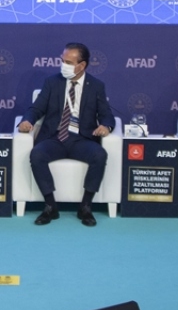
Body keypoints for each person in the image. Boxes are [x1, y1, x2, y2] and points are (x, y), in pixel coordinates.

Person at [18, 43, 115, 227]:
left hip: (81, 139)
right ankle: (50, 206)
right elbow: (36, 108)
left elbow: (106, 114)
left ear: (82, 65)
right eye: (62, 61)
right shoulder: (52, 82)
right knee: (37, 154)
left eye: (69, 62)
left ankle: (85, 206)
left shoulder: (96, 86)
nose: (63, 65)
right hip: (55, 137)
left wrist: (106, 126)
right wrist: (27, 121)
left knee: (99, 155)